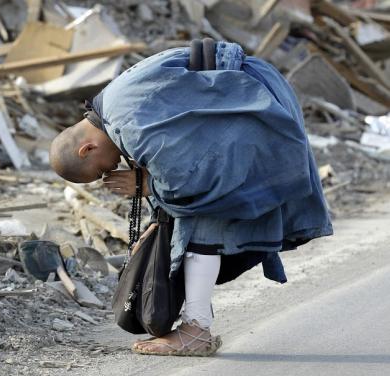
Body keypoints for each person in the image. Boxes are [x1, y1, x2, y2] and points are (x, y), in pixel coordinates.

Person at [49, 39, 333, 356]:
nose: (114, 167)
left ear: (86, 149)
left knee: (199, 209)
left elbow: (192, 180)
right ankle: (197, 326)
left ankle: (196, 330)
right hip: (250, 93)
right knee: (192, 208)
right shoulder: (111, 105)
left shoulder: (129, 127)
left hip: (253, 101)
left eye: (103, 167)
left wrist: (149, 187)